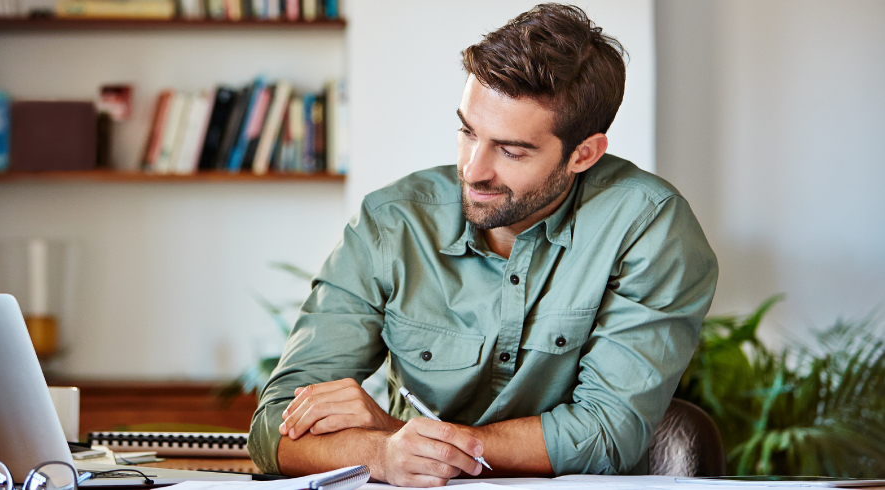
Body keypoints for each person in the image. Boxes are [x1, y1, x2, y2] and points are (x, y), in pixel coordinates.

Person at [246, 3, 719, 487]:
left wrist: (408, 436)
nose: (473, 170)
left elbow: (605, 436)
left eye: (511, 150)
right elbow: (272, 430)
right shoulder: (391, 224)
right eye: (467, 132)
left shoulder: (649, 226)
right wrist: (382, 452)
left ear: (583, 154)